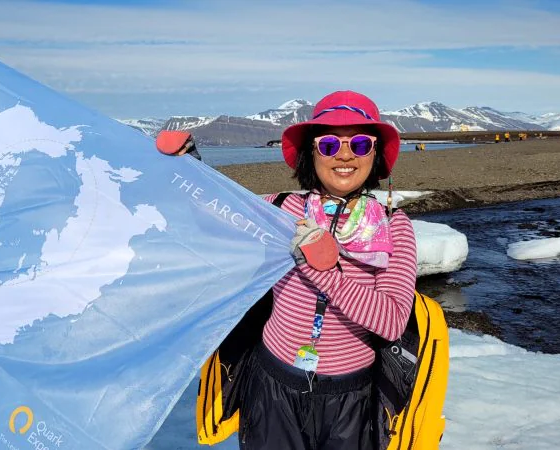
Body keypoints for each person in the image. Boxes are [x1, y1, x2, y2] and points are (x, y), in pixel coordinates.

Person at [157, 90, 417, 450]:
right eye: (328, 145)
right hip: (273, 386)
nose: (344, 155)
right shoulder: (281, 209)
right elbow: (215, 214)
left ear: (374, 155)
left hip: (349, 398)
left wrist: (324, 271)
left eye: (359, 144)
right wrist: (189, 165)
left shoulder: (393, 226)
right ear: (312, 152)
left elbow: (391, 321)